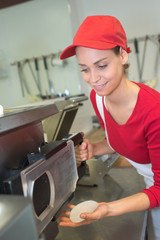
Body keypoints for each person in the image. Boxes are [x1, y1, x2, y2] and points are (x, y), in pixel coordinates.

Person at [59, 15, 160, 240]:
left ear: (123, 55)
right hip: (150, 187)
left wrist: (108, 208)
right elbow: (121, 140)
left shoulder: (154, 110)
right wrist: (95, 149)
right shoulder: (99, 98)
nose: (94, 78)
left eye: (101, 65)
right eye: (84, 69)